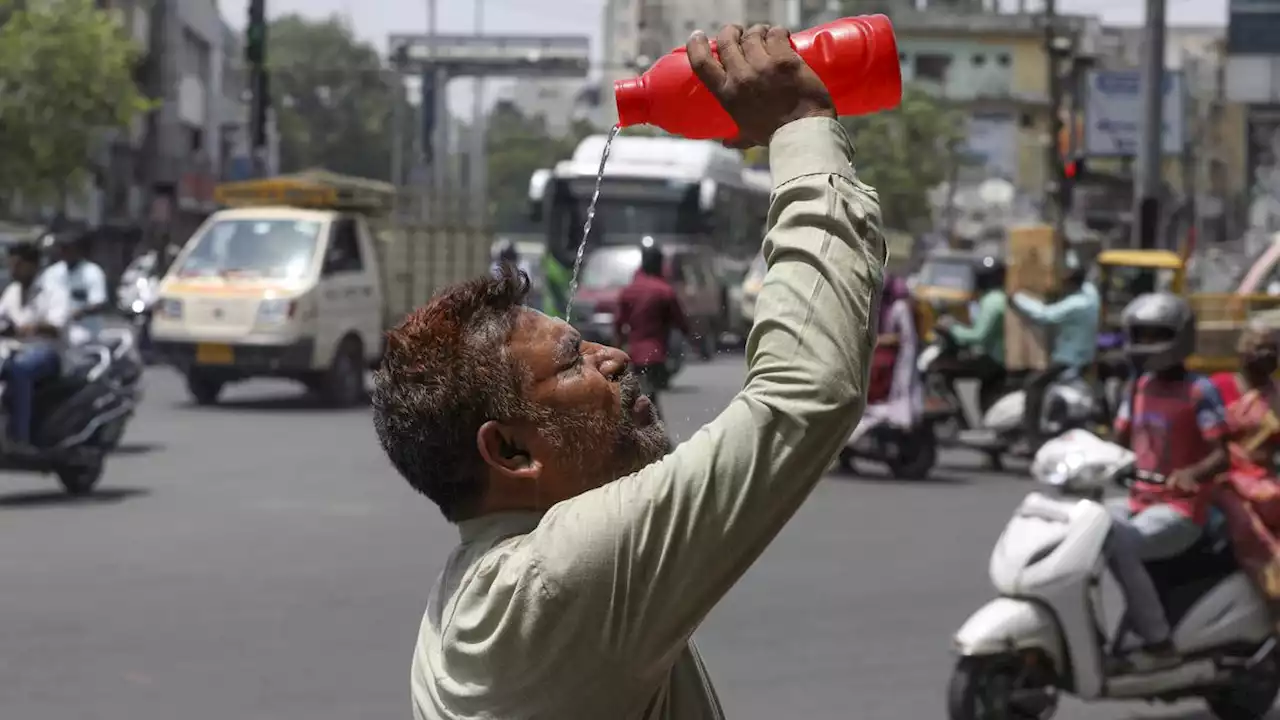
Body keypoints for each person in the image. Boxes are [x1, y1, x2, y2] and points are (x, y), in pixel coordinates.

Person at [372, 24, 883, 719]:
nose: (612, 358)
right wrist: (799, 126)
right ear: (511, 450)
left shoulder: (481, 591)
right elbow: (805, 393)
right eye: (571, 363)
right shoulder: (561, 578)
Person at [1109, 292, 1230, 670]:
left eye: (1153, 335)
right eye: (1138, 335)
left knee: (1119, 543)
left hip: (1180, 509)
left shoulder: (1199, 391)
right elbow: (1120, 441)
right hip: (1137, 501)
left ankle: (1158, 641)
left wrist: (1191, 474)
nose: (1144, 345)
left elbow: (1221, 453)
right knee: (1081, 525)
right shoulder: (1139, 387)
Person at [1212, 322, 1280, 621]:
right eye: (1256, 345)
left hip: (1264, 482)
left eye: (1271, 349)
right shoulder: (1216, 388)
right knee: (1247, 526)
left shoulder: (1277, 396)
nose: (1262, 354)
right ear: (1241, 349)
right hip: (1222, 479)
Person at [1010, 261, 1099, 449]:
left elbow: (1045, 315)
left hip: (1068, 359)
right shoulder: (1091, 295)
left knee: (1033, 385)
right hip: (1084, 356)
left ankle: (1032, 437)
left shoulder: (1076, 303)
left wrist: (1017, 298)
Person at [0, 243, 70, 452]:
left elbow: (57, 326)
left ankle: (21, 438)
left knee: (19, 370)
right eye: (11, 264)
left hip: (47, 353)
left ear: (33, 265)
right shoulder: (12, 291)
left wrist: (33, 327)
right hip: (12, 350)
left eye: (18, 265)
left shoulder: (53, 291)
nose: (13, 270)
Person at [614, 241, 690, 421]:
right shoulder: (664, 291)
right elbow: (681, 322)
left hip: (634, 356)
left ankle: (652, 438)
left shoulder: (629, 291)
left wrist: (617, 349)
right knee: (648, 400)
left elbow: (618, 325)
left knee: (642, 399)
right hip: (656, 356)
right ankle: (658, 440)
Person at [851, 275, 922, 445]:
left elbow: (905, 338)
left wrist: (878, 341)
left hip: (898, 360)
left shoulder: (899, 308)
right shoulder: (880, 307)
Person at [937, 255, 1008, 412]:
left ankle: (956, 412)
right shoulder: (996, 298)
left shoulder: (992, 302)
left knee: (941, 368)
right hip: (996, 356)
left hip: (995, 359)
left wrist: (952, 328)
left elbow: (979, 336)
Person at [42, 232, 108, 345]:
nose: (65, 252)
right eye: (63, 248)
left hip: (84, 334)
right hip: (55, 333)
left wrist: (80, 311)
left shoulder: (92, 272)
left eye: (69, 248)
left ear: (79, 250)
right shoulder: (51, 273)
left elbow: (99, 303)